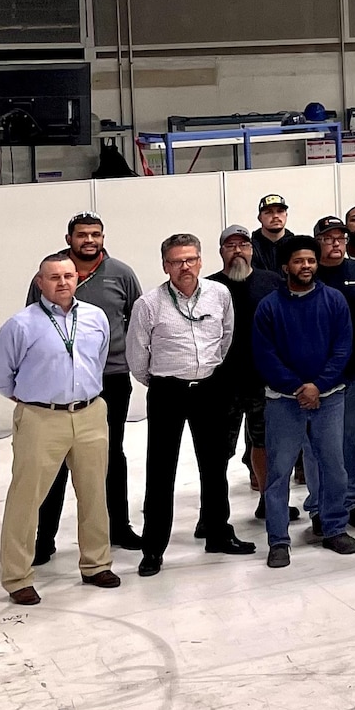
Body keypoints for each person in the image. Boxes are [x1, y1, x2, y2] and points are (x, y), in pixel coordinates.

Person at [0, 252, 121, 605]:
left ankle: (96, 564)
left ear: (77, 278)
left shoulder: (95, 318)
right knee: (26, 498)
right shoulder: (21, 325)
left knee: (95, 493)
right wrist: (34, 400)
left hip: (91, 413)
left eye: (68, 276)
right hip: (41, 418)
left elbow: (99, 358)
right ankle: (17, 577)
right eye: (54, 277)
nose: (62, 282)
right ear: (40, 282)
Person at [128, 233, 248, 577]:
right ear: (166, 265)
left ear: (201, 261)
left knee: (214, 466)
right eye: (177, 261)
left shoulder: (219, 294)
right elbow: (138, 359)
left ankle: (217, 533)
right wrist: (168, 382)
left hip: (210, 388)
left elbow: (226, 338)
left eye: (191, 259)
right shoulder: (148, 304)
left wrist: (204, 372)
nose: (185, 266)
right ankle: (153, 549)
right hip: (168, 391)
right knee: (161, 470)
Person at [31, 212, 143, 561]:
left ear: (103, 237)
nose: (89, 241)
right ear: (69, 239)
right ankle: (44, 540)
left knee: (110, 455)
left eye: (95, 234)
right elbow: (33, 324)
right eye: (82, 235)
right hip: (61, 383)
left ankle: (119, 528)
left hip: (110, 380)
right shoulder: (54, 274)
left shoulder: (121, 274)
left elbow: (138, 320)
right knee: (56, 460)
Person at [252, 235, 355, 569]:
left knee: (334, 467)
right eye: (299, 261)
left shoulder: (335, 301)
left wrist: (319, 385)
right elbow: (265, 356)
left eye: (311, 261)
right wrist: (299, 387)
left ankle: (333, 528)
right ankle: (279, 541)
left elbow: (343, 348)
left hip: (329, 398)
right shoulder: (269, 306)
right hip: (283, 402)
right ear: (286, 266)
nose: (306, 267)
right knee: (279, 472)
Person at [208, 227, 280, 523]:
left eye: (243, 244)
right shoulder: (208, 287)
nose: (237, 250)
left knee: (265, 444)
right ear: (221, 250)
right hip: (220, 384)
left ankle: (268, 501)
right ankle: (211, 512)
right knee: (216, 451)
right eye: (230, 245)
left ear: (252, 249)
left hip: (264, 381)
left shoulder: (273, 282)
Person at [313, 216, 355, 532]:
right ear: (318, 242)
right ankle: (320, 504)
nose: (336, 243)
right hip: (318, 378)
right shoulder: (308, 275)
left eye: (340, 237)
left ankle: (354, 501)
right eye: (328, 238)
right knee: (318, 446)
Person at [252, 194, 293, 271]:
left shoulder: (296, 246)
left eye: (280, 211)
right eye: (269, 212)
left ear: (286, 215)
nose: (275, 216)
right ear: (259, 218)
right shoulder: (250, 248)